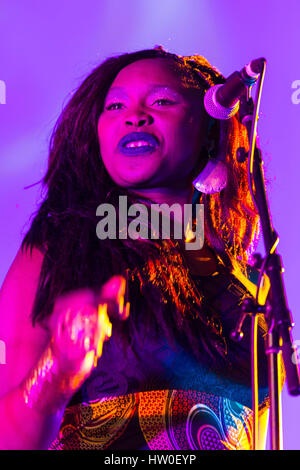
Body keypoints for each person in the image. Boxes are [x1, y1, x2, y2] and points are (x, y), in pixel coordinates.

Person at [0, 46, 273, 450]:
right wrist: (54, 374)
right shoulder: (56, 253)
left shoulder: (246, 279)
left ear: (210, 127)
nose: (135, 115)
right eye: (114, 107)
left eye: (162, 101)